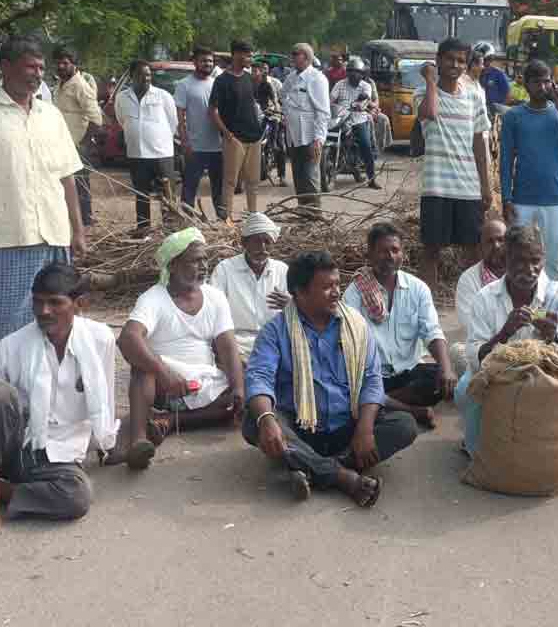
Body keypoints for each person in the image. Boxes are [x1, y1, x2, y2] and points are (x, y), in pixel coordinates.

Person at [0, 264, 118, 533]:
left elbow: (103, 402)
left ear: (79, 304)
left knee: (77, 497)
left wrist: (106, 443)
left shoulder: (100, 339)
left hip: (60, 454)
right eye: (38, 302)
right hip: (11, 450)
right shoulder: (12, 346)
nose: (44, 311)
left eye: (55, 303)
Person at [0, 35, 87, 361]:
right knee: (5, 327)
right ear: (5, 67)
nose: (38, 74)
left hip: (55, 236)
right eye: (30, 66)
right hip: (8, 238)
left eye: (41, 67)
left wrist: (77, 230)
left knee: (59, 323)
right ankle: (2, 397)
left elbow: (67, 176)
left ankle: (53, 388)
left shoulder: (50, 115)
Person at [243, 250, 418, 508]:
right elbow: (259, 376)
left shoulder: (356, 325)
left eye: (337, 284)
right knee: (254, 422)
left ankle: (309, 467)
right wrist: (267, 419)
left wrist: (366, 428)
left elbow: (372, 379)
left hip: (349, 427)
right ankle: (342, 476)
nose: (336, 292)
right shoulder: (276, 331)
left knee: (404, 425)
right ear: (299, 293)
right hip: (301, 428)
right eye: (326, 287)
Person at [119, 228, 245, 471]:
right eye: (196, 260)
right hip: (163, 386)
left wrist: (239, 389)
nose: (204, 266)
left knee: (247, 381)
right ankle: (138, 440)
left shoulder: (215, 297)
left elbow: (228, 348)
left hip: (204, 383)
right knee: (142, 369)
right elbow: (127, 338)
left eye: (205, 260)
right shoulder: (153, 298)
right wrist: (164, 373)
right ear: (173, 265)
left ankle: (167, 422)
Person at [460, 224, 558, 454]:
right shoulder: (486, 298)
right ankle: (476, 450)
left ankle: (549, 450)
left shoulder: (556, 295)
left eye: (535, 261)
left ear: (543, 259)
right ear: (506, 260)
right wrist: (504, 334)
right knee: (465, 389)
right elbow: (475, 358)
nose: (530, 269)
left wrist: (553, 336)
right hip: (498, 373)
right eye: (520, 261)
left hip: (543, 375)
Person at [343, 222, 457, 428]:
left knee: (439, 378)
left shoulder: (418, 288)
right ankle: (411, 410)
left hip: (409, 373)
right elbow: (350, 345)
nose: (389, 256)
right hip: (374, 376)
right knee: (349, 388)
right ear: (369, 255)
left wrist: (447, 369)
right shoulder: (354, 293)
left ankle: (379, 403)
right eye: (382, 251)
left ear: (402, 253)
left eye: (395, 250)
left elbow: (431, 331)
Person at [415, 38, 493, 288]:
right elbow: (430, 113)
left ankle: (478, 307)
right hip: (436, 187)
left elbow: (479, 144)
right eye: (450, 59)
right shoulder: (424, 93)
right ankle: (428, 311)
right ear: (438, 60)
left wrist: (486, 186)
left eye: (461, 61)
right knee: (431, 251)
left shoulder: (474, 96)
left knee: (474, 252)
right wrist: (429, 80)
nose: (455, 65)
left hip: (468, 188)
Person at [500, 59, 558, 281]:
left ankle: (551, 312)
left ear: (553, 83)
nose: (543, 87)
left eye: (547, 82)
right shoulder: (514, 116)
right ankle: (520, 310)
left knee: (553, 263)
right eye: (537, 82)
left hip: (554, 199)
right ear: (526, 84)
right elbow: (506, 160)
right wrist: (506, 198)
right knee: (519, 259)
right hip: (521, 199)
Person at [209, 212, 289, 363]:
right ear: (244, 243)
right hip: (236, 343)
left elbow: (299, 312)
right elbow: (212, 311)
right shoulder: (225, 269)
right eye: (256, 241)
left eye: (267, 241)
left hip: (274, 342)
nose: (262, 247)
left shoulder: (282, 270)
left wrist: (290, 305)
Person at [114, 60, 178, 232]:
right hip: (136, 155)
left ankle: (170, 230)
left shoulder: (163, 96)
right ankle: (144, 231)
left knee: (168, 196)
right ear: (131, 77)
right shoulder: (122, 98)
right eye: (141, 75)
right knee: (142, 196)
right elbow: (122, 120)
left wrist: (157, 139)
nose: (146, 78)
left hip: (162, 155)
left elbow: (173, 123)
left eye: (148, 75)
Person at [209, 40, 266, 222]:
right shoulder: (221, 80)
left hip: (254, 138)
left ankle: (253, 218)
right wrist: (227, 134)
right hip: (235, 139)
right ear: (235, 54)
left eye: (251, 55)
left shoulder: (250, 78)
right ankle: (227, 222)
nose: (250, 58)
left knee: (253, 182)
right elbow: (213, 110)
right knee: (230, 182)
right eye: (247, 55)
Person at [52, 47, 104, 228]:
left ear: (74, 65)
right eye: (58, 63)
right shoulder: (59, 85)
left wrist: (83, 143)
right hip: (61, 144)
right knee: (65, 184)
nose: (61, 66)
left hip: (78, 146)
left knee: (80, 185)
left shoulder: (80, 86)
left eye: (65, 63)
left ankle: (85, 223)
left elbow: (96, 120)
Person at [282, 42, 331, 211]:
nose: (293, 57)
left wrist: (318, 139)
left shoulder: (317, 78)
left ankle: (314, 214)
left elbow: (323, 112)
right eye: (292, 53)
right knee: (299, 178)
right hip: (294, 137)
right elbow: (284, 98)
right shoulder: (291, 77)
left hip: (310, 137)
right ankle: (304, 213)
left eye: (296, 54)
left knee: (310, 178)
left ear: (307, 57)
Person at [177, 47, 225, 219]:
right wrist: (185, 141)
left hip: (218, 146)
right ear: (195, 62)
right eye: (204, 61)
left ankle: (222, 219)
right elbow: (180, 116)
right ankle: (187, 220)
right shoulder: (184, 85)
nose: (208, 64)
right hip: (195, 146)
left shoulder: (217, 83)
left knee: (219, 188)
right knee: (190, 186)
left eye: (210, 61)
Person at [330, 56, 382, 189]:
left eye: (357, 72)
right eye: (351, 71)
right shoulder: (339, 84)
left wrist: (361, 104)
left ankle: (371, 179)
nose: (354, 74)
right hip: (341, 118)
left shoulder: (366, 86)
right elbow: (331, 99)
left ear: (362, 74)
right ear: (347, 72)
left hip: (358, 118)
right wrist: (328, 104)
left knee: (365, 145)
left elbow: (366, 99)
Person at [455, 218, 508, 335]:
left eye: (501, 239)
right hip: (487, 345)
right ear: (480, 248)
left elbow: (541, 309)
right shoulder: (468, 279)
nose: (496, 246)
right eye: (490, 241)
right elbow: (468, 323)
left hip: (526, 343)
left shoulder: (526, 271)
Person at [475, 46, 510, 116]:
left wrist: (498, 108)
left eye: (488, 59)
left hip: (495, 111)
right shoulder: (473, 74)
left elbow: (507, 94)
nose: (485, 63)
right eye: (483, 60)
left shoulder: (498, 74)